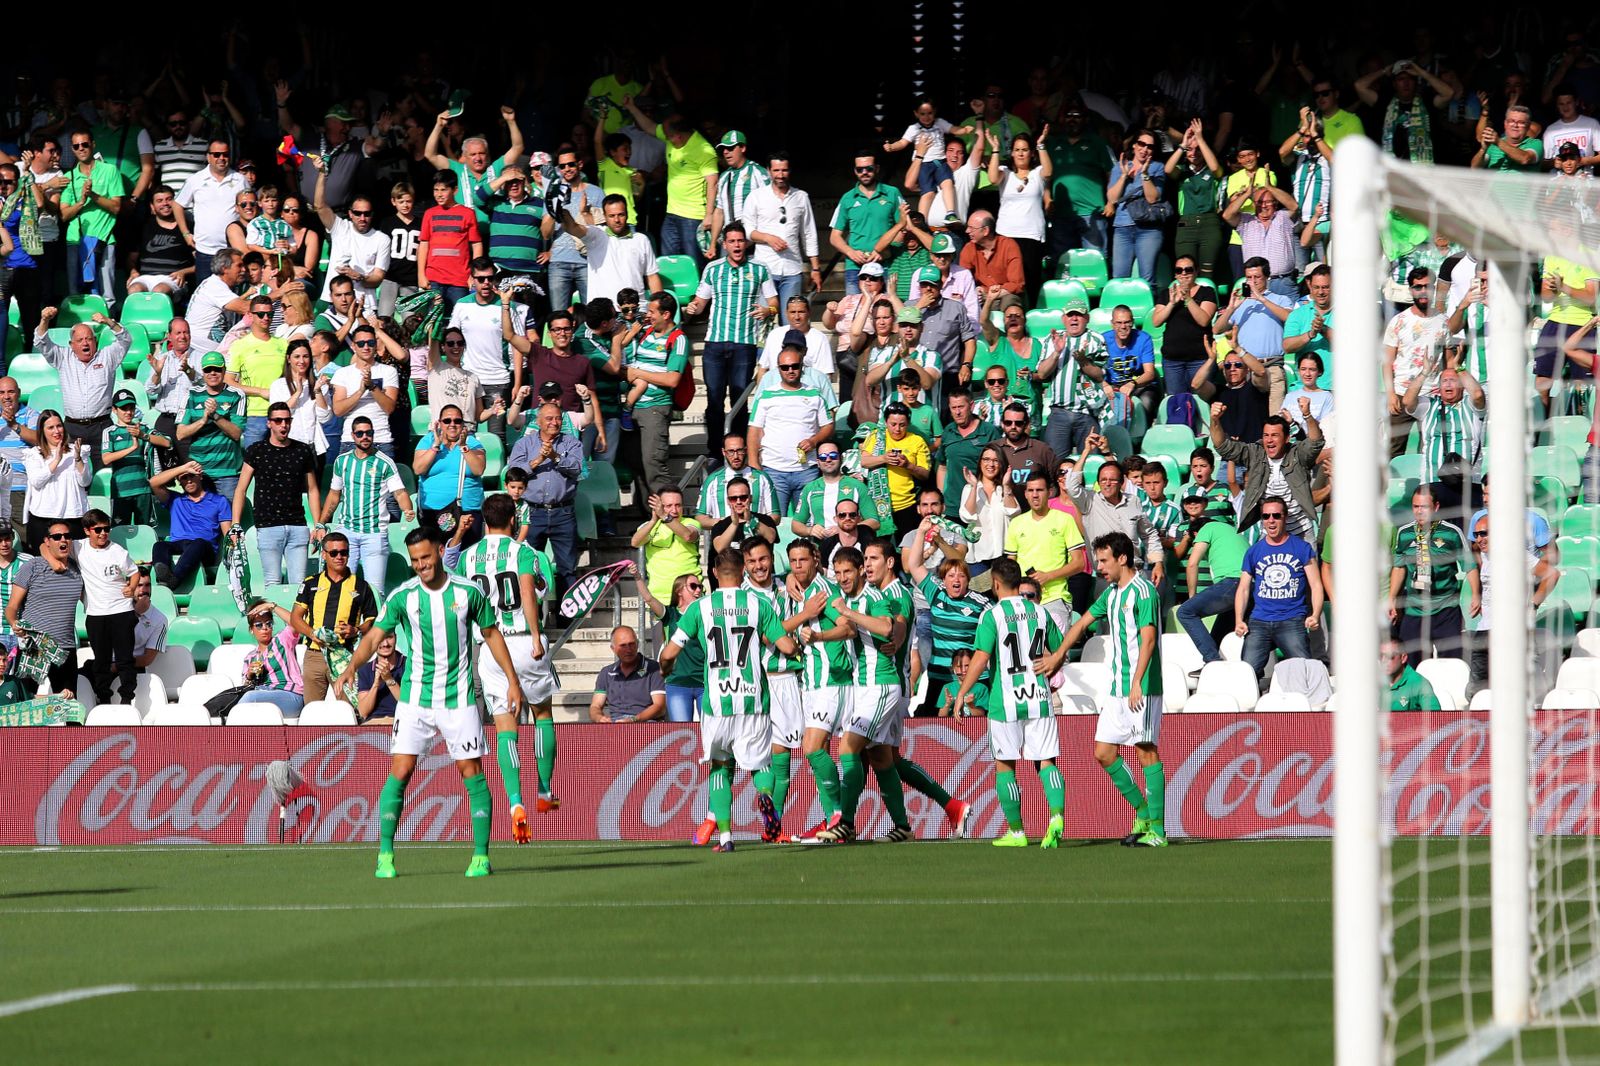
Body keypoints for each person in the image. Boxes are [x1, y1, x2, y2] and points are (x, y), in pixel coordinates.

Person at [340, 527, 525, 878]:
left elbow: (490, 635)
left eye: (425, 557)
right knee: (401, 771)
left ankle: (481, 856)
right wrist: (352, 666)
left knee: (471, 773)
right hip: (414, 699)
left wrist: (513, 682)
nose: (421, 565)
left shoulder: (468, 592)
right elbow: (375, 635)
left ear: (440, 552)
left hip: (458, 698)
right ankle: (385, 855)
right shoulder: (402, 596)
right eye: (414, 561)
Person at [659, 548, 798, 851]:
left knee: (720, 767)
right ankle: (764, 793)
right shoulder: (759, 604)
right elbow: (786, 646)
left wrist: (666, 669)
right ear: (743, 572)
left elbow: (669, 653)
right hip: (753, 700)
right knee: (761, 763)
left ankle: (725, 836)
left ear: (713, 573)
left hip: (717, 703)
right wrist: (798, 646)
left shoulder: (700, 608)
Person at [1059, 532, 1169, 847]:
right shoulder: (1111, 593)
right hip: (1117, 688)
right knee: (1103, 753)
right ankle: (1143, 811)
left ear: (1122, 558)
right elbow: (1081, 624)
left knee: (1145, 751)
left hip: (1143, 686)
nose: (1099, 567)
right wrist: (1056, 656)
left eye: (1104, 561)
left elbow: (1148, 639)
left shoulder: (1144, 592)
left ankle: (1157, 830)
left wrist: (1137, 681)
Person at [459, 492, 560, 833]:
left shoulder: (468, 557)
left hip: (490, 647)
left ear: (485, 520)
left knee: (505, 727)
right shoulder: (524, 553)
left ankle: (515, 801)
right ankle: (544, 791)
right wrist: (535, 635)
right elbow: (529, 591)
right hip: (522, 640)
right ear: (514, 519)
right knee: (542, 713)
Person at [952, 557, 1069, 847]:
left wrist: (961, 694)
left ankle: (1016, 832)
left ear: (994, 583)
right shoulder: (1040, 612)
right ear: (1019, 582)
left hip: (1005, 700)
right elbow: (1060, 651)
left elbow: (980, 658)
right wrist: (1050, 666)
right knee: (1046, 762)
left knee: (1005, 765)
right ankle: (1056, 815)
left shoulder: (992, 615)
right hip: (1039, 698)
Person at [808, 542, 911, 844]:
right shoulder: (843, 597)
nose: (842, 577)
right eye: (838, 572)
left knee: (847, 748)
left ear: (860, 571)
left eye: (848, 571)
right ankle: (902, 826)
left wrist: (848, 612)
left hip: (880, 685)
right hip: (862, 687)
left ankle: (846, 822)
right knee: (880, 758)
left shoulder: (874, 597)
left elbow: (885, 627)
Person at [737, 538, 824, 842]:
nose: (759, 566)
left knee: (782, 752)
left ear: (771, 559)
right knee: (779, 753)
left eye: (763, 559)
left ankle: (773, 822)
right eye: (752, 562)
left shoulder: (780, 587)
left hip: (789, 678)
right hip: (767, 678)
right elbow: (769, 635)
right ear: (744, 566)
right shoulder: (746, 597)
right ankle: (775, 823)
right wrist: (805, 614)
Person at [684, 223, 776, 463]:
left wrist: (769, 310)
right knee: (714, 398)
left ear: (746, 243)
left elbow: (774, 301)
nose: (736, 245)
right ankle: (715, 450)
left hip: (744, 345)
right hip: (714, 344)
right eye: (732, 241)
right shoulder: (713, 269)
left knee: (739, 401)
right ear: (724, 244)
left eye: (740, 241)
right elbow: (700, 302)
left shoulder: (759, 269)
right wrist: (693, 307)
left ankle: (739, 450)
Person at [320, 416, 416, 594]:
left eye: (369, 433)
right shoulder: (342, 461)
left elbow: (400, 492)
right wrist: (321, 522)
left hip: (374, 534)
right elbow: (334, 495)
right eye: (360, 433)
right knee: (342, 587)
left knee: (375, 591)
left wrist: (407, 509)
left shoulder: (384, 462)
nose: (365, 437)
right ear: (353, 436)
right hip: (346, 532)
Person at [1234, 497, 1324, 686]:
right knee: (1246, 675)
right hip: (1259, 620)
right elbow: (1243, 588)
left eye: (1276, 515)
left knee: (1304, 672)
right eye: (1266, 516)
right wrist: (1239, 619)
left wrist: (1315, 614)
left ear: (1285, 517)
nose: (1271, 520)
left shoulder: (1301, 548)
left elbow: (1316, 584)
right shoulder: (1254, 551)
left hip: (1291, 619)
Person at [1467, 514, 1559, 699]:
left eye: (1484, 533)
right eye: (1476, 534)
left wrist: (1533, 604)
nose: (1479, 539)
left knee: (1514, 687)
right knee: (1476, 691)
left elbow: (1552, 574)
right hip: (1485, 629)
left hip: (1511, 630)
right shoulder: (1484, 555)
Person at [505, 403, 582, 622]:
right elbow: (513, 473)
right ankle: (532, 616)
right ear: (538, 421)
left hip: (563, 512)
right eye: (548, 418)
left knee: (567, 567)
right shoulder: (524, 443)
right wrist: (538, 460)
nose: (554, 422)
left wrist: (556, 457)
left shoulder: (572, 443)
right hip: (533, 513)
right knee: (529, 565)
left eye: (557, 418)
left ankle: (567, 617)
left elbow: (577, 469)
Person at [1389, 484, 1480, 667]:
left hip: (1445, 609)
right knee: (1411, 666)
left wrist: (1476, 594)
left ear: (1436, 507)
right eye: (1416, 507)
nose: (1419, 511)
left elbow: (1469, 566)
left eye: (1424, 507)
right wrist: (1392, 598)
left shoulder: (1451, 532)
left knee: (1451, 665)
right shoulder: (1404, 533)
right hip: (1415, 610)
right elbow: (1399, 568)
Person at [233, 401, 320, 588]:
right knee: (272, 584)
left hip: (297, 525)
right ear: (269, 423)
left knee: (299, 586)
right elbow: (240, 489)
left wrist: (318, 523)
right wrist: (235, 524)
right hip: (268, 526)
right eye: (278, 420)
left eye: (287, 420)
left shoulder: (302, 450)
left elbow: (312, 489)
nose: (283, 425)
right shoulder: (256, 450)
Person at [905, 540, 992, 718]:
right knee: (930, 722)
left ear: (968, 580)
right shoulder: (936, 593)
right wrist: (922, 532)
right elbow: (913, 565)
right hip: (940, 674)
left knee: (979, 723)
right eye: (951, 576)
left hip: (973, 678)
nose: (956, 580)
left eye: (961, 576)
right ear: (943, 580)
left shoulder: (981, 603)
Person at [1208, 408, 1324, 540]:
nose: (1269, 440)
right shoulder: (1255, 453)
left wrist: (1307, 415)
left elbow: (1316, 442)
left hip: (1301, 532)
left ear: (1287, 438)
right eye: (1266, 435)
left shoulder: (1297, 454)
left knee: (1310, 562)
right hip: (1270, 533)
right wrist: (1215, 420)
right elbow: (1223, 447)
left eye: (1274, 435)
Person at [748, 337, 833, 514]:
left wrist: (814, 440)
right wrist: (754, 463)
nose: (790, 370)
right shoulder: (766, 395)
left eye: (795, 366)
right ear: (778, 369)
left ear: (802, 366)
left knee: (808, 524)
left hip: (807, 470)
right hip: (773, 470)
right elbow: (754, 431)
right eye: (785, 367)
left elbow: (828, 426)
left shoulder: (814, 393)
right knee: (774, 524)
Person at [34, 307, 129, 465]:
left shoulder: (107, 357)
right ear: (71, 344)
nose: (85, 343)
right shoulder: (63, 357)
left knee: (104, 473)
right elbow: (41, 341)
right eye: (80, 340)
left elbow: (125, 340)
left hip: (102, 427)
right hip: (73, 428)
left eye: (89, 339)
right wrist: (45, 320)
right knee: (73, 475)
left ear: (95, 342)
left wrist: (109, 322)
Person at [615, 291, 686, 495]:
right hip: (635, 407)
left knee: (653, 467)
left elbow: (672, 379)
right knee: (637, 466)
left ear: (666, 314)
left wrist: (637, 373)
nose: (648, 315)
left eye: (652, 312)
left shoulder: (677, 339)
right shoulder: (647, 332)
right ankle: (648, 519)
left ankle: (667, 520)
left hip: (654, 409)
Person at [6, 521, 84, 697]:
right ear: (47, 541)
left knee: (70, 706)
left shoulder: (77, 570)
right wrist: (14, 623)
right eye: (57, 537)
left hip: (65, 648)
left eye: (67, 536)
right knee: (24, 704)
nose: (62, 540)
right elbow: (11, 607)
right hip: (34, 645)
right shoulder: (32, 567)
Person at [1004, 469, 1087, 631]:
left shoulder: (1064, 519)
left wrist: (1049, 576)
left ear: (1049, 492)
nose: (1035, 495)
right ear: (1026, 494)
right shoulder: (1016, 523)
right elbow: (1010, 565)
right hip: (1023, 599)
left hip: (1055, 598)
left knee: (1055, 653)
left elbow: (1079, 563)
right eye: (1031, 490)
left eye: (1040, 490)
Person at [75, 509, 139, 707]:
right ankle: (103, 698)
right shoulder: (78, 547)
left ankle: (127, 698)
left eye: (106, 529)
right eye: (98, 530)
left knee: (124, 659)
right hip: (96, 613)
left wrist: (132, 587)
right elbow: (46, 545)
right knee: (100, 661)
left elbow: (134, 571)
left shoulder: (118, 551)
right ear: (87, 531)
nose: (103, 534)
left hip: (121, 610)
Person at [740, 154, 822, 304]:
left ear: (790, 171)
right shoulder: (756, 196)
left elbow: (809, 234)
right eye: (776, 170)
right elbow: (748, 230)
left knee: (791, 322)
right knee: (764, 321)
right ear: (769, 171)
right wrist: (768, 238)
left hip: (792, 268)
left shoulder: (801, 197)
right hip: (765, 268)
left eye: (784, 170)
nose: (780, 175)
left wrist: (815, 268)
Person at [59, 129, 124, 305]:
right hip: (76, 240)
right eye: (76, 146)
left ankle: (108, 329)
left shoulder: (110, 171)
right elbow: (64, 215)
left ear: (93, 145)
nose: (81, 148)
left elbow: (117, 207)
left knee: (107, 295)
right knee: (76, 294)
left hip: (104, 239)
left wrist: (93, 196)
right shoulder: (69, 177)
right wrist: (81, 201)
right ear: (72, 149)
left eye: (85, 144)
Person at [176, 350, 247, 502]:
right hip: (199, 471)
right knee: (202, 519)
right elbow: (180, 433)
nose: (212, 373)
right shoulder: (191, 395)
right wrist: (202, 420)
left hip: (227, 472)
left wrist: (215, 416)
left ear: (224, 370)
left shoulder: (237, 395)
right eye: (208, 369)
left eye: (217, 369)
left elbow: (236, 433)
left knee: (228, 519)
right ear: (203, 372)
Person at [829, 150, 903, 294]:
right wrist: (851, 253)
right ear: (855, 171)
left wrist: (886, 251)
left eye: (869, 168)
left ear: (877, 168)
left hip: (885, 264)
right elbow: (834, 236)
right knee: (853, 312)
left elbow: (904, 228)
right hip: (855, 266)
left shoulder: (892, 193)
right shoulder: (847, 198)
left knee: (885, 313)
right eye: (859, 169)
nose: (864, 172)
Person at [637, 568, 705, 723]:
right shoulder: (671, 614)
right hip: (677, 682)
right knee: (681, 732)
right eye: (693, 586)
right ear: (679, 591)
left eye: (700, 586)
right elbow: (648, 598)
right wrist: (637, 577)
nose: (698, 590)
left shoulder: (705, 613)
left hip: (705, 682)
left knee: (710, 735)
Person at [175, 138, 250, 280]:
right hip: (205, 252)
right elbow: (177, 205)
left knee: (233, 297)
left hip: (233, 252)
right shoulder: (195, 179)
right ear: (208, 157)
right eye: (216, 154)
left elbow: (250, 209)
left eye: (225, 154)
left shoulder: (240, 180)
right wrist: (185, 233)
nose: (221, 158)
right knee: (205, 297)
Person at [147, 462, 231, 588]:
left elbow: (227, 534)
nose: (189, 481)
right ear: (179, 481)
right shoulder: (175, 500)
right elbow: (154, 483)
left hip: (204, 548)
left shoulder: (219, 501)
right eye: (184, 478)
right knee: (160, 545)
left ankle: (174, 580)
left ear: (200, 476)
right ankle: (163, 577)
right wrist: (183, 468)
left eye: (191, 476)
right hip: (179, 543)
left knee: (199, 543)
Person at [412, 404, 486, 545]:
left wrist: (463, 446)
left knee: (466, 557)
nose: (452, 424)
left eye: (457, 421)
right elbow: (418, 469)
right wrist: (435, 446)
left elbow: (478, 469)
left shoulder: (473, 443)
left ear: (463, 424)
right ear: (439, 423)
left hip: (467, 512)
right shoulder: (428, 441)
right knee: (438, 559)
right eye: (447, 421)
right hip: (432, 512)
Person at [1105, 131, 1166, 290]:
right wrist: (1124, 176)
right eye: (1141, 144)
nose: (1144, 149)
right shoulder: (1120, 167)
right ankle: (1119, 313)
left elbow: (1152, 198)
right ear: (1134, 145)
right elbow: (1112, 198)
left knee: (1147, 280)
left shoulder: (1157, 167)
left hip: (1148, 228)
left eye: (1149, 146)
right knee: (1119, 278)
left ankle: (1148, 314)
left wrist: (1145, 174)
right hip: (1122, 227)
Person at [331, 322, 401, 460]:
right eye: (361, 343)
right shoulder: (342, 373)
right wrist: (360, 391)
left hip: (380, 438)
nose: (366, 347)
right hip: (351, 440)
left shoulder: (388, 371)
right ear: (353, 346)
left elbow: (389, 407)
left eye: (370, 342)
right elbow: (338, 410)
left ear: (376, 344)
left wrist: (372, 387)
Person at [23, 411, 90, 554]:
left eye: (59, 426)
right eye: (50, 427)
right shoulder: (34, 454)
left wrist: (78, 459)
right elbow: (36, 481)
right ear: (43, 431)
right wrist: (56, 460)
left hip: (73, 517)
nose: (56, 431)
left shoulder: (77, 450)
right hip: (43, 518)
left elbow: (85, 481)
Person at [1149, 256, 1216, 396]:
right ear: (1175, 274)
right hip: (1173, 360)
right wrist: (1172, 303)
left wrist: (1188, 298)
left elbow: (1204, 320)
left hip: (1199, 358)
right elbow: (1156, 321)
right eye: (1179, 270)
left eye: (1188, 269)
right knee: (1177, 404)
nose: (1183, 273)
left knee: (1202, 400)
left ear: (1196, 271)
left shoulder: (1207, 292)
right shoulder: (1167, 294)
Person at [103, 389, 170, 526]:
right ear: (115, 410)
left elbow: (167, 442)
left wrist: (143, 436)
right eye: (123, 408)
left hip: (143, 489)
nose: (128, 412)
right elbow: (106, 458)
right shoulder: (110, 432)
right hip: (121, 491)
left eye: (131, 408)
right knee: (120, 533)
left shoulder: (143, 429)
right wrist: (132, 448)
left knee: (146, 530)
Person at [418, 170, 484, 303]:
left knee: (459, 320)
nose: (439, 194)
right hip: (433, 278)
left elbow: (477, 245)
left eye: (443, 190)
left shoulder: (468, 214)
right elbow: (424, 244)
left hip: (459, 280)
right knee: (433, 320)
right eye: (436, 190)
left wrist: (474, 274)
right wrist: (421, 274)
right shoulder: (429, 214)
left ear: (455, 190)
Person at [632, 485, 702, 607]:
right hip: (659, 599)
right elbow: (635, 542)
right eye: (668, 506)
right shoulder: (650, 526)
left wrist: (664, 516)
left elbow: (688, 536)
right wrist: (654, 521)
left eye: (678, 505)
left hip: (690, 596)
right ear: (658, 507)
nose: (674, 510)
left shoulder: (690, 523)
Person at [237, 598, 306, 718]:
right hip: (263, 695)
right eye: (259, 625)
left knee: (249, 698)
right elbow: (245, 685)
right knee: (249, 699)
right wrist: (249, 674)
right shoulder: (250, 657)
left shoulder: (282, 640)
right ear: (251, 630)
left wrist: (272, 606)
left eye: (268, 623)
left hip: (290, 695)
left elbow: (296, 622)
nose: (265, 628)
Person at [696, 433, 780, 528]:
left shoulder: (762, 478)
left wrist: (754, 524)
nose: (735, 456)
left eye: (739, 451)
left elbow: (775, 516)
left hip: (755, 540)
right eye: (731, 451)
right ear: (724, 452)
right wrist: (724, 523)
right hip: (726, 541)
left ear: (746, 450)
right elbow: (700, 518)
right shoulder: (712, 480)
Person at [588, 625, 666, 724]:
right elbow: (595, 706)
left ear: (637, 644)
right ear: (613, 648)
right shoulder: (606, 672)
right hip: (615, 724)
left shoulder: (653, 668)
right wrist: (599, 718)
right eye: (623, 645)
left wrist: (634, 719)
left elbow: (660, 707)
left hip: (645, 723)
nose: (628, 650)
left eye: (632, 644)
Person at [709, 476, 777, 561]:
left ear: (750, 498)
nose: (738, 502)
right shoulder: (720, 526)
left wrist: (751, 520)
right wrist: (734, 524)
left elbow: (770, 538)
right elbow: (720, 549)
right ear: (728, 501)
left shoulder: (764, 520)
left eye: (743, 497)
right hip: (735, 572)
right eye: (733, 498)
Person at [356, 633, 405, 723]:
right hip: (373, 724)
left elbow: (409, 705)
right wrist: (376, 685)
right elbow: (363, 712)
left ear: (396, 638)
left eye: (389, 637)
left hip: (401, 721)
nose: (385, 644)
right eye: (380, 638)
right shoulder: (364, 670)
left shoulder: (410, 666)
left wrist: (389, 679)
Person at [1382, 638, 1442, 711]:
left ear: (1403, 658)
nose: (1383, 661)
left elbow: (1435, 718)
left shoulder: (1420, 684)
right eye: (1380, 656)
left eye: (1389, 656)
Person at [131, 570, 168, 670]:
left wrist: (116, 666)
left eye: (147, 585)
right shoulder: (118, 610)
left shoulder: (160, 619)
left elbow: (147, 659)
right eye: (139, 585)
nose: (143, 590)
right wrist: (136, 614)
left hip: (134, 669)